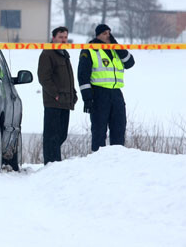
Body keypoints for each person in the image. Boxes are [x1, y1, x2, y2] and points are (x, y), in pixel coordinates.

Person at [78, 24, 135, 152]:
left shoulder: (115, 49)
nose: (107, 35)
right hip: (99, 94)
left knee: (119, 128)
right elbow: (83, 75)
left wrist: (117, 45)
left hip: (116, 94)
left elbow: (130, 63)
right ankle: (97, 160)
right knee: (99, 130)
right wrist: (87, 98)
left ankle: (117, 158)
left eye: (109, 33)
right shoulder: (90, 49)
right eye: (104, 33)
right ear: (97, 35)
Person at [37, 27, 78, 165]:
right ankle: (51, 164)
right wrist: (55, 94)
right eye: (61, 37)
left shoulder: (64, 54)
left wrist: (73, 94)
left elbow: (68, 78)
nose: (64, 40)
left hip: (65, 101)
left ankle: (56, 164)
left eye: (65, 37)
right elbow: (44, 77)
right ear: (54, 37)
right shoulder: (48, 53)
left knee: (61, 135)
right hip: (53, 102)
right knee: (51, 136)